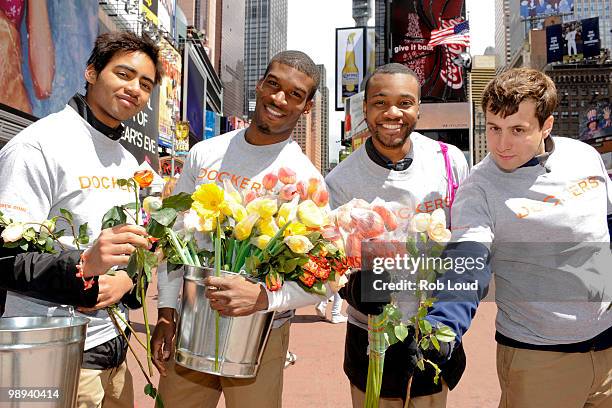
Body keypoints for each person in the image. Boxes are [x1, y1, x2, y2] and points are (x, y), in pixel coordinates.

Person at [152, 50, 331, 408]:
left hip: (262, 332)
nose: (279, 99)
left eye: (295, 94)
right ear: (259, 85)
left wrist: (265, 298)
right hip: (192, 323)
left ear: (307, 107)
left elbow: (324, 279)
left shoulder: (308, 181)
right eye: (273, 85)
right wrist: (166, 313)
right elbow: (175, 239)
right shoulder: (204, 153)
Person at [426, 68, 612, 408]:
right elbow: (467, 264)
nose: (501, 144)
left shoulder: (584, 156)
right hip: (539, 358)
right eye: (494, 128)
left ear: (547, 126)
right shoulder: (478, 189)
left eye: (517, 130)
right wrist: (443, 328)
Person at [0, 31, 162, 407]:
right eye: (123, 74)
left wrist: (126, 282)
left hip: (115, 349)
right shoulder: (37, 146)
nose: (134, 88)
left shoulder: (127, 162)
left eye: (145, 83)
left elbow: (139, 249)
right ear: (91, 72)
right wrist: (84, 268)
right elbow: (5, 257)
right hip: (49, 350)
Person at [326, 63, 469, 407]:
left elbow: (468, 240)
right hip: (370, 338)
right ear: (365, 109)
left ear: (419, 108)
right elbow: (332, 261)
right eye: (380, 102)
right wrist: (356, 289)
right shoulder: (340, 181)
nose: (393, 113)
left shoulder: (450, 161)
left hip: (433, 331)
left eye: (405, 103)